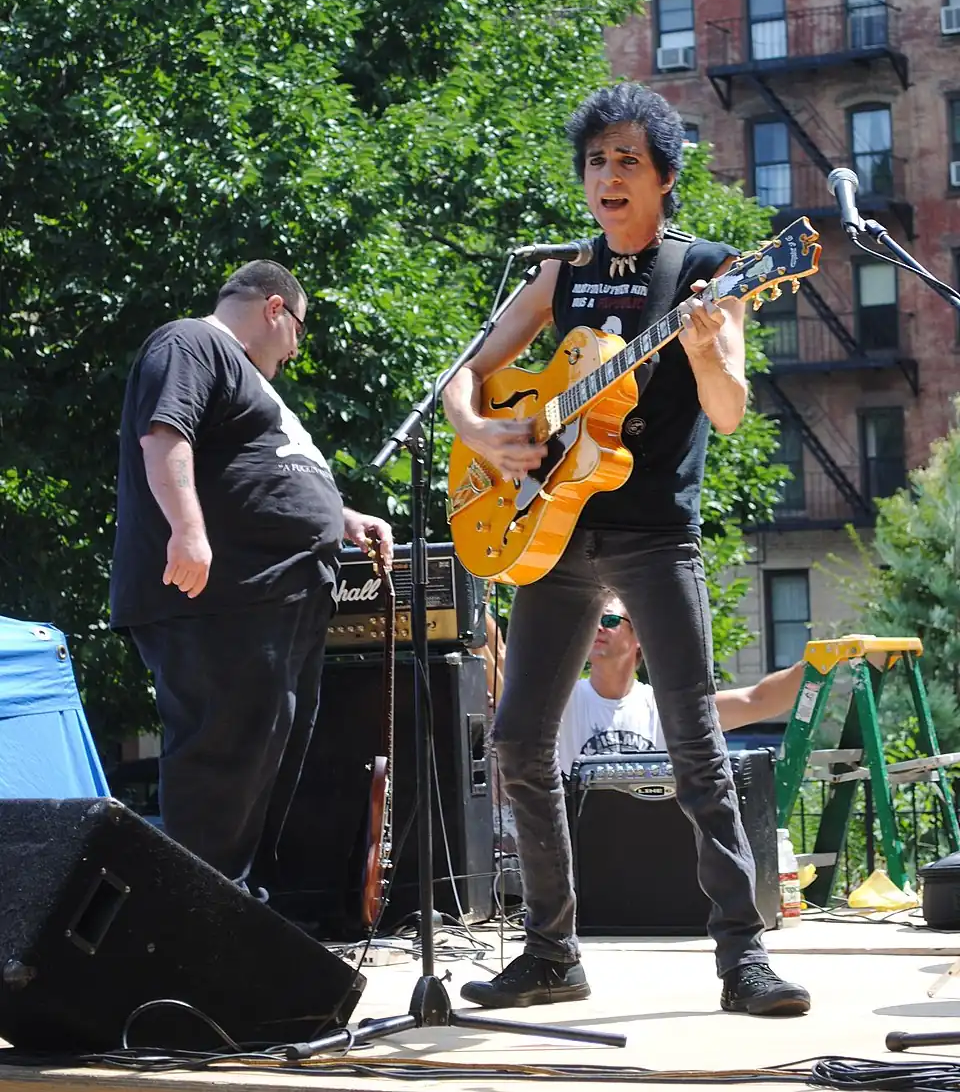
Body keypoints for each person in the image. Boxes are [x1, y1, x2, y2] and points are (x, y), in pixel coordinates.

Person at [442, 83, 810, 1016]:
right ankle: (551, 952)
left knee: (696, 744)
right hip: (552, 532)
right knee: (520, 738)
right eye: (597, 161)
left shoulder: (709, 272)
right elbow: (464, 376)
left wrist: (705, 348)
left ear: (665, 178)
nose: (608, 176)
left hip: (653, 538)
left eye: (627, 161)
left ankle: (741, 957)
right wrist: (485, 437)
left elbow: (727, 412)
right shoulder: (561, 275)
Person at [109, 259, 393, 899]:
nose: (295, 349)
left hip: (274, 599)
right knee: (223, 766)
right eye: (297, 330)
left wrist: (339, 516)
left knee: (262, 766)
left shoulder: (248, 383)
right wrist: (188, 528)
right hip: (223, 599)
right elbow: (165, 437)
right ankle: (199, 929)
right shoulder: (193, 340)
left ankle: (238, 924)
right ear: (274, 308)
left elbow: (257, 469)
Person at [557, 595, 805, 777]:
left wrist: (818, 662)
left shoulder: (664, 707)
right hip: (582, 844)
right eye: (591, 621)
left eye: (609, 620)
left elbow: (758, 700)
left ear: (640, 636)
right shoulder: (559, 703)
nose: (597, 628)